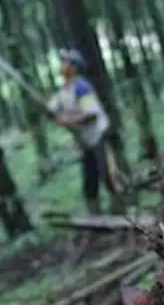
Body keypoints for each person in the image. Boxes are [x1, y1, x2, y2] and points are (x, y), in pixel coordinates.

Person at [47, 49, 119, 216]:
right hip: (85, 142)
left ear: (73, 68)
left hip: (98, 137)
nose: (61, 65)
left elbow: (91, 115)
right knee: (90, 181)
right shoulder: (64, 90)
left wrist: (66, 121)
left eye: (65, 62)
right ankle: (96, 215)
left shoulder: (82, 87)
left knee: (108, 177)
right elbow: (51, 110)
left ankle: (121, 211)